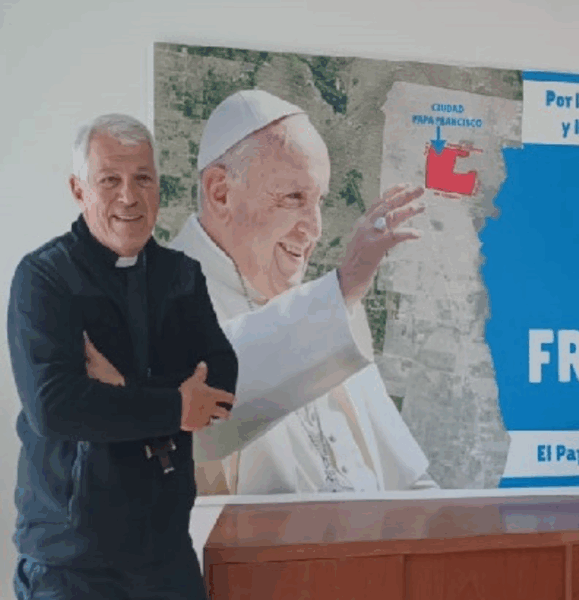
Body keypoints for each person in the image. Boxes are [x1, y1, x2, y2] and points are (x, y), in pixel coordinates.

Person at [7, 114, 238, 599]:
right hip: (71, 560)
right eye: (109, 180)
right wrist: (175, 406)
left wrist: (121, 392)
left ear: (159, 186)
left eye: (143, 179)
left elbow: (221, 379)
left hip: (166, 551)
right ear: (78, 190)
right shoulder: (44, 279)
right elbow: (55, 407)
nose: (129, 197)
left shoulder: (181, 275)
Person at [169, 89, 438, 495]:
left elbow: (407, 480)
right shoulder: (155, 297)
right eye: (293, 198)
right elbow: (208, 411)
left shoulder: (328, 308)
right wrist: (342, 290)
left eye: (319, 201)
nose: (314, 228)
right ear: (220, 191)